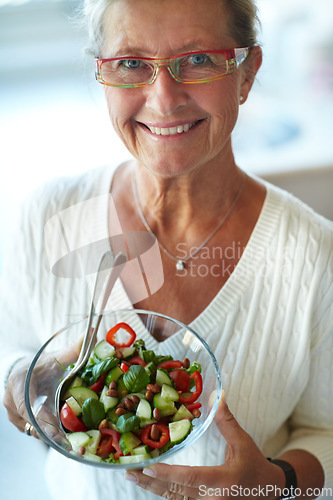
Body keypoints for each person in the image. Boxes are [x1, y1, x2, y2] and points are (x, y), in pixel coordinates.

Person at [1, 0, 333, 498]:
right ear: (102, 75)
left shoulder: (315, 257)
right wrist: (20, 380)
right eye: (131, 63)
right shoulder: (43, 218)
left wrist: (277, 485)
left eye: (198, 59)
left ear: (247, 73)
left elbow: (327, 431)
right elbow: (14, 348)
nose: (163, 99)